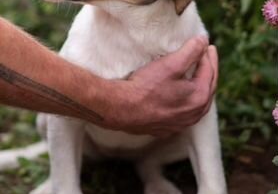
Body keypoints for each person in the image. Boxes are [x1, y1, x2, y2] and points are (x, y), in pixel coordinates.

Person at [0, 17, 218, 136]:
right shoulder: (84, 36)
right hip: (91, 145)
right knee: (52, 122)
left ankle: (150, 172)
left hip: (159, 147)